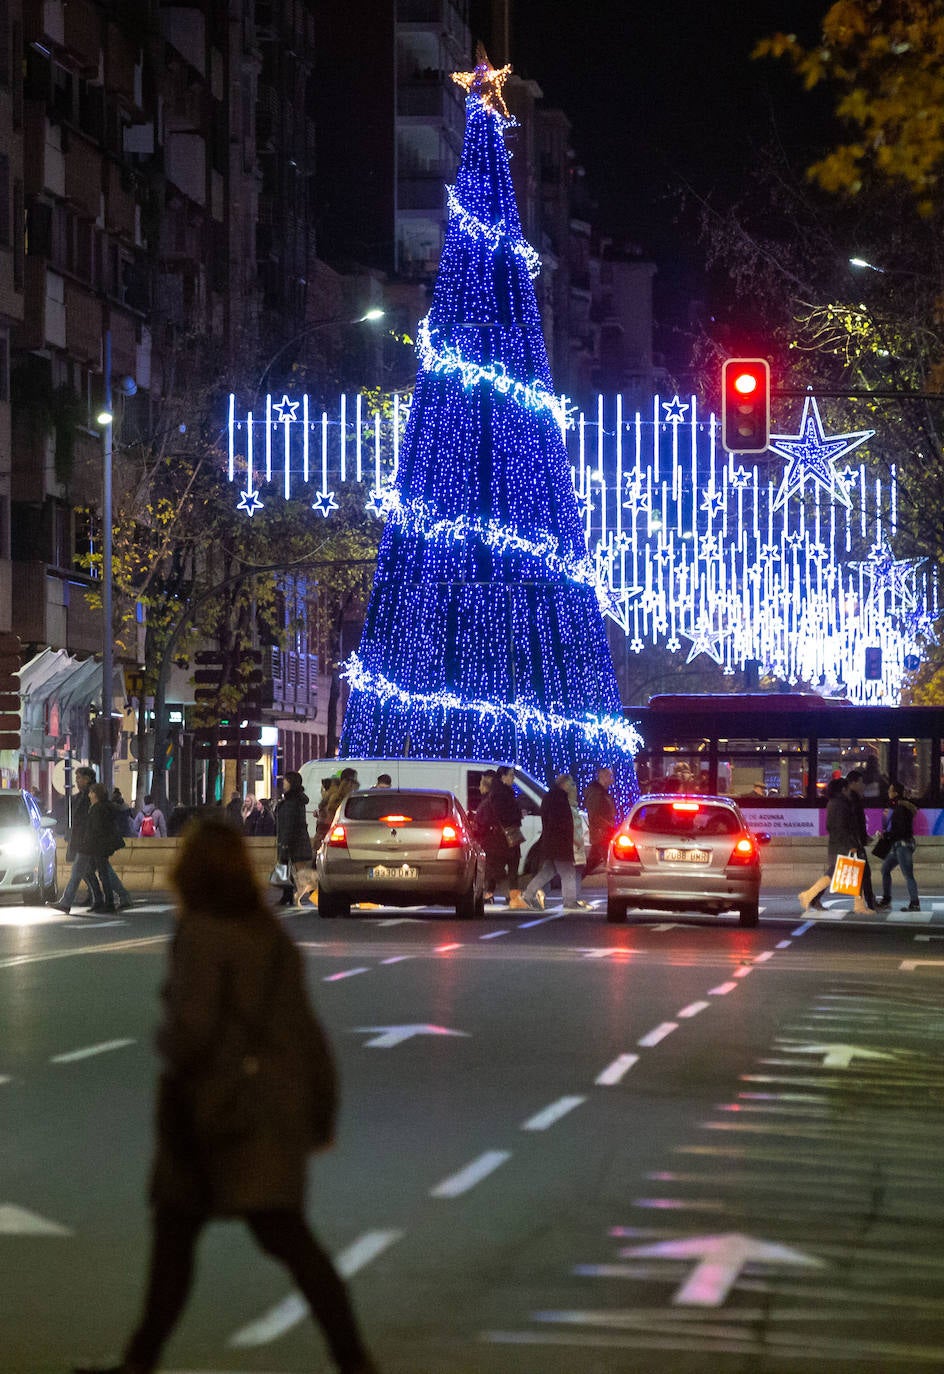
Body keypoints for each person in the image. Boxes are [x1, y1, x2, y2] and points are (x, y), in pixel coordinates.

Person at [72, 817, 378, 1374]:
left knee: (180, 1240)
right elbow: (303, 1030)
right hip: (270, 1107)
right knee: (283, 1236)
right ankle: (352, 1358)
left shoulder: (202, 934)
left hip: (212, 1110)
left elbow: (194, 1027)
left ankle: (140, 1360)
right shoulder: (267, 932)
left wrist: (168, 1049)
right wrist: (321, 1107)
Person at [799, 773, 873, 914]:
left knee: (844, 873)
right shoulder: (840, 804)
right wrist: (852, 844)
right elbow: (841, 827)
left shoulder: (836, 803)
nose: (848, 791)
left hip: (839, 844)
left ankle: (859, 905)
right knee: (847, 873)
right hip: (843, 845)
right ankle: (808, 895)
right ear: (843, 789)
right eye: (846, 789)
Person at [523, 775, 591, 912]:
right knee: (568, 872)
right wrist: (570, 837)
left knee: (548, 872)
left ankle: (528, 895)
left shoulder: (549, 797)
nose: (573, 787)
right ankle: (569, 901)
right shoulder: (560, 800)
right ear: (564, 784)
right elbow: (562, 822)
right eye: (571, 784)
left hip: (550, 842)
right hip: (560, 843)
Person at [54, 766, 104, 914]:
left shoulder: (91, 795)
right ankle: (100, 898)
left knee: (78, 872)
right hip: (82, 839)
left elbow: (88, 819)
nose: (77, 781)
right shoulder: (83, 795)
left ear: (87, 778)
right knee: (87, 871)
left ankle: (66, 902)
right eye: (76, 779)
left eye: (79, 778)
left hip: (85, 840)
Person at [485, 764, 527, 908]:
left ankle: (508, 896)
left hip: (505, 837)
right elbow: (503, 815)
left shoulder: (502, 792)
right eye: (511, 775)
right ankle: (507, 896)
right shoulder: (500, 794)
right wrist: (518, 815)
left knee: (507, 866)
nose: (513, 779)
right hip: (504, 837)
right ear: (503, 777)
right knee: (504, 867)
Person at [875, 781, 921, 912]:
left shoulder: (900, 808)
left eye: (890, 790)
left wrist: (887, 835)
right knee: (885, 869)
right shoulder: (896, 806)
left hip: (903, 845)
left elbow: (900, 829)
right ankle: (886, 899)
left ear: (895, 793)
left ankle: (915, 903)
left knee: (908, 874)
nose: (888, 793)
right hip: (898, 845)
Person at [79, 783, 125, 912]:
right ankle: (100, 900)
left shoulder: (97, 809)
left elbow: (97, 829)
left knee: (100, 873)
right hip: (100, 846)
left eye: (91, 792)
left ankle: (106, 902)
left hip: (97, 847)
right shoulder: (103, 807)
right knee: (94, 872)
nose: (89, 795)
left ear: (95, 794)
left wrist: (87, 844)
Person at [274, 771, 316, 906]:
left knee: (301, 872)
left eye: (285, 780)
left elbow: (291, 823)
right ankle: (288, 895)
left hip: (294, 840)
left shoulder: (294, 801)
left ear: (291, 782)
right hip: (290, 839)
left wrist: (285, 842)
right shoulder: (291, 800)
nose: (283, 783)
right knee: (285, 869)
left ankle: (314, 895)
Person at [583, 765, 617, 873]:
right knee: (607, 859)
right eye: (610, 776)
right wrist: (608, 826)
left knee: (595, 860)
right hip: (601, 833)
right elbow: (595, 815)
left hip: (602, 832)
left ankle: (576, 878)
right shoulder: (597, 793)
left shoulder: (601, 792)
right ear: (604, 777)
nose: (612, 779)